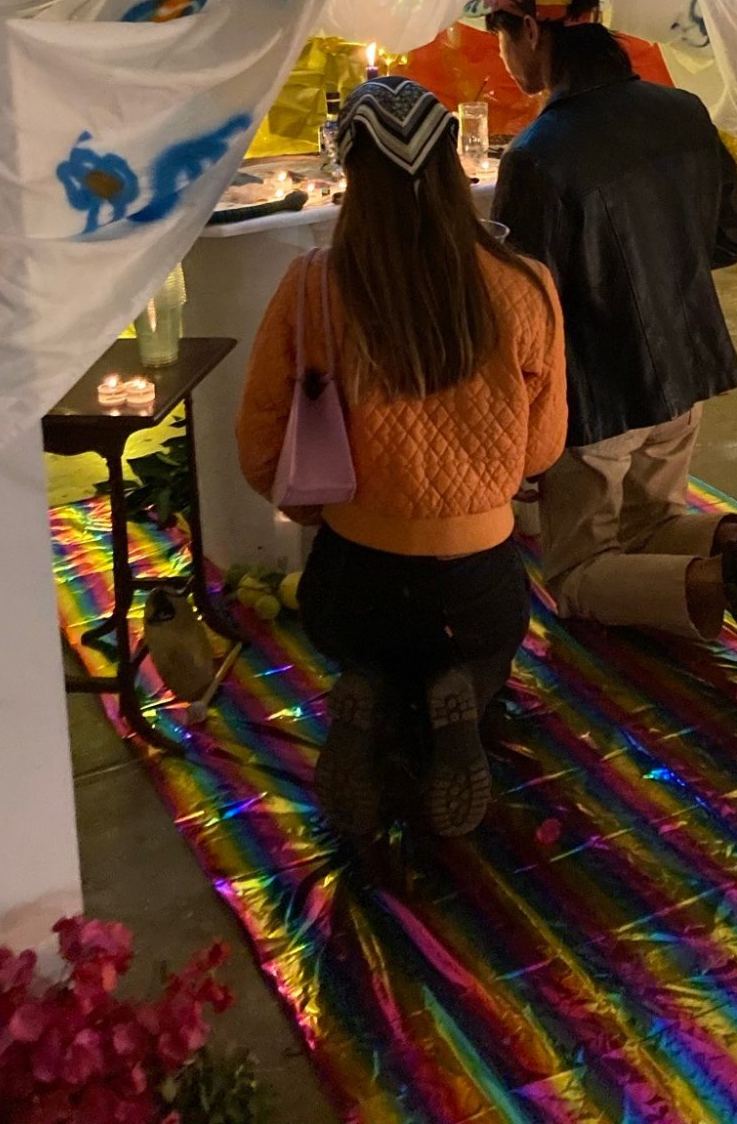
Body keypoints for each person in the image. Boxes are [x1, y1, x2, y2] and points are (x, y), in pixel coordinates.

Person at [486, 0, 737, 701]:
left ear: (531, 33)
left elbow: (525, 315)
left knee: (576, 575)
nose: (504, 55)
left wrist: (523, 432)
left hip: (596, 402)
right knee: (651, 524)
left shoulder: (538, 156)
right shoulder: (682, 112)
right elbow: (728, 242)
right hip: (683, 374)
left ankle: (735, 587)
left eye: (500, 35)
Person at [237, 78, 566, 838]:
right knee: (484, 656)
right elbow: (543, 449)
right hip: (478, 584)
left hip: (355, 580)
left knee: (362, 644)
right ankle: (465, 693)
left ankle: (375, 695)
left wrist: (317, 509)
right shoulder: (527, 284)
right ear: (451, 167)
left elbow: (260, 441)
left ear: (353, 175)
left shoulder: (314, 285)